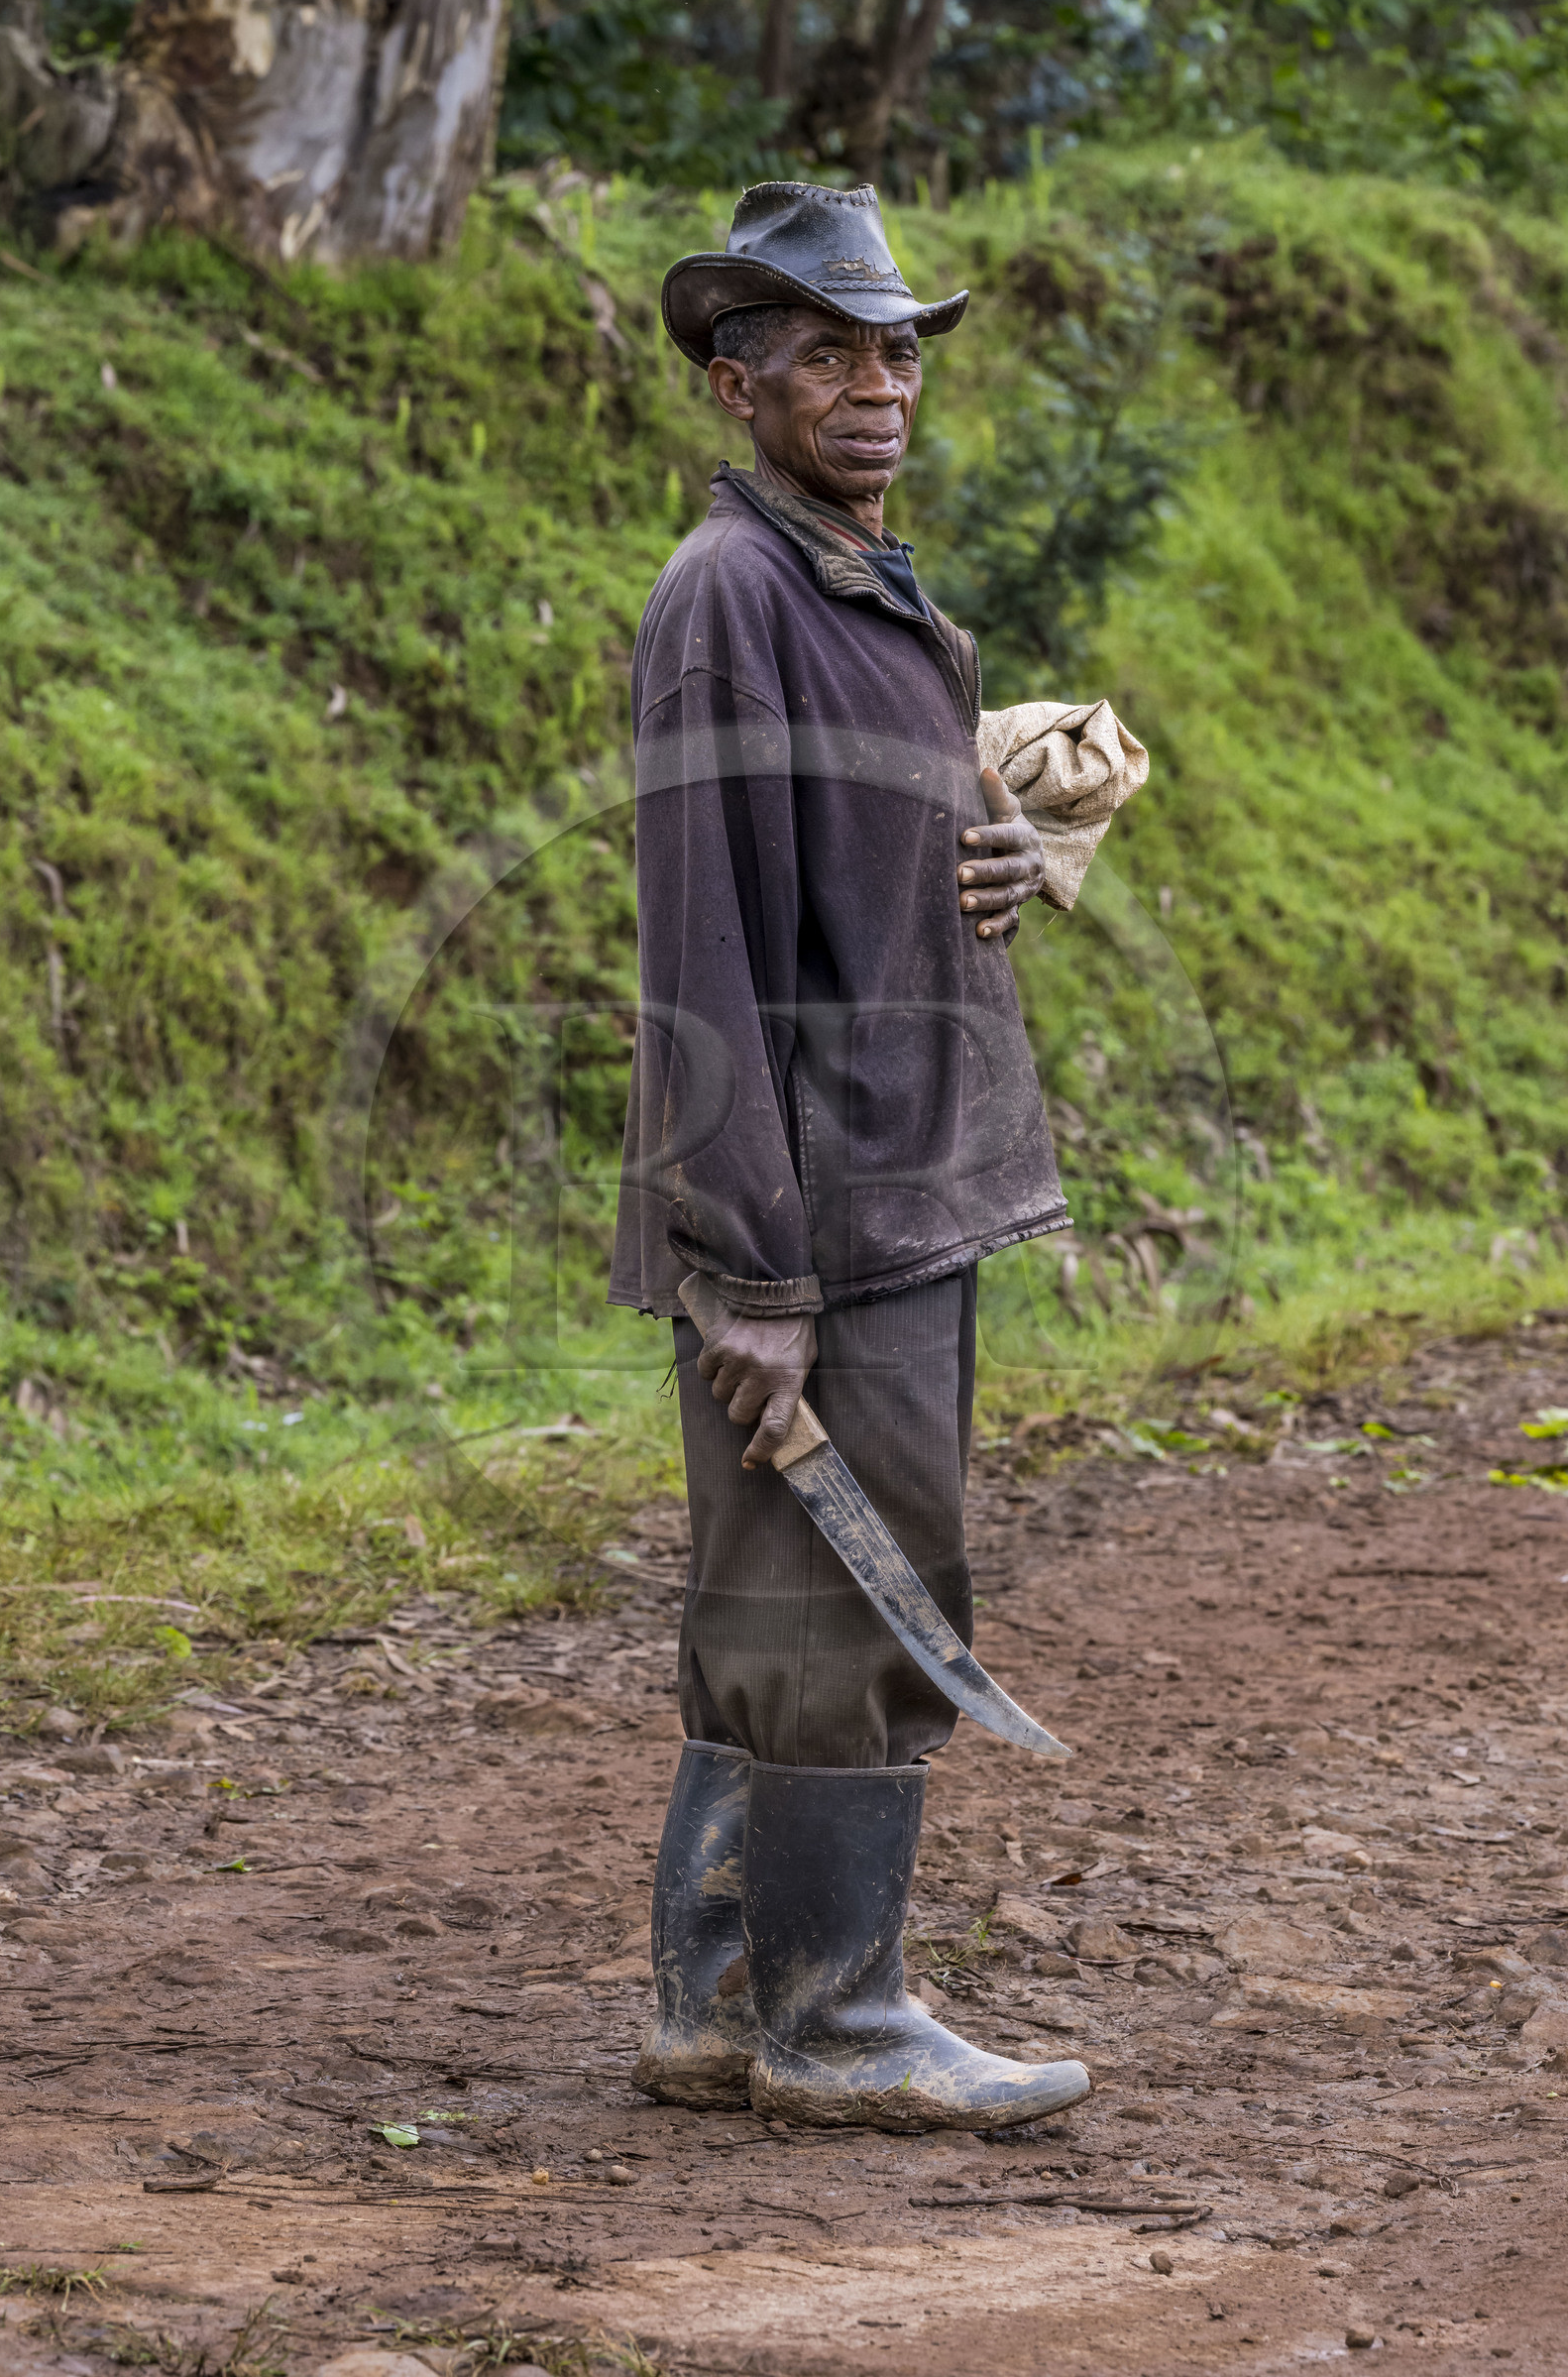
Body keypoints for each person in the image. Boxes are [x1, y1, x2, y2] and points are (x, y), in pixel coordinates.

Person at [609, 181, 1142, 2132]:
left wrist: (997, 851)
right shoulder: (728, 595)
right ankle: (834, 2025)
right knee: (859, 1600)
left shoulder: (872, 590)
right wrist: (747, 1270)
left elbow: (866, 864)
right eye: (824, 349)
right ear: (736, 381)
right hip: (824, 1209)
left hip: (896, 1179)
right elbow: (707, 949)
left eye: (895, 343)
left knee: (784, 1596)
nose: (873, 381)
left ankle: (715, 2006)